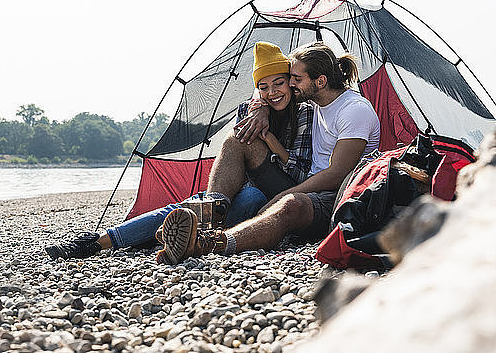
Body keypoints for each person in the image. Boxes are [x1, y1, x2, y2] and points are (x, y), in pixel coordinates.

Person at [45, 42, 313, 260]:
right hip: (242, 189)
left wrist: (268, 138)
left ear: (290, 82)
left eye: (278, 83)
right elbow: (240, 157)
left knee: (249, 191)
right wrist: (260, 108)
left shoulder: (305, 113)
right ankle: (98, 242)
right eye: (263, 87)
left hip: (285, 190)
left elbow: (301, 173)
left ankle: (195, 229)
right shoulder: (249, 108)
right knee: (189, 207)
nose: (272, 92)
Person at [158, 41, 381, 264]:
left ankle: (210, 244)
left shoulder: (354, 110)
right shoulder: (317, 102)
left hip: (337, 195)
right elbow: (266, 89)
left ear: (320, 81)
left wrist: (280, 196)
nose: (291, 85)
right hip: (308, 184)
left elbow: (337, 174)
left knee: (290, 204)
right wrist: (261, 109)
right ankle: (209, 217)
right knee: (238, 139)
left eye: (297, 79)